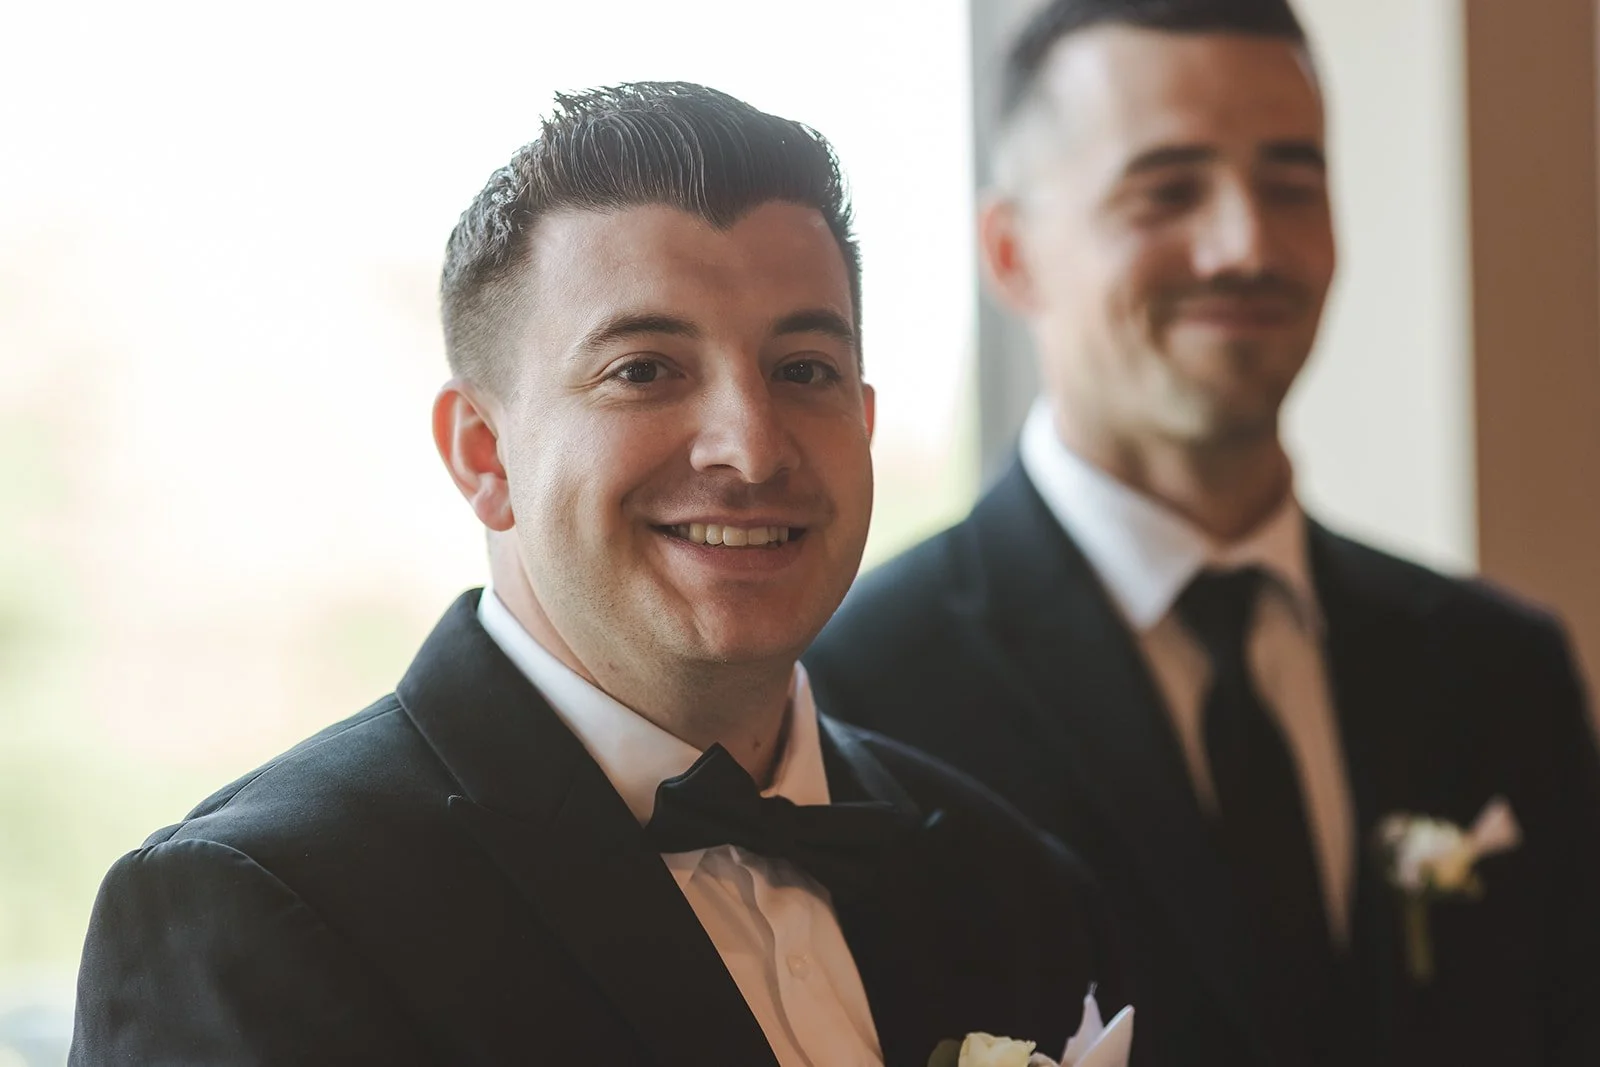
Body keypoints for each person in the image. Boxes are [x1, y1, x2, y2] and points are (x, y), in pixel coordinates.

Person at [67, 83, 1124, 1066]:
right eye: (643, 371)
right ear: (484, 453)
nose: (748, 449)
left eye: (803, 370)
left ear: (865, 422)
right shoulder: (257, 911)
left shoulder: (1010, 879)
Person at [804, 3, 1600, 1065]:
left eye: (1291, 182)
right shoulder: (855, 693)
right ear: (1012, 253)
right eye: (1166, 189)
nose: (1245, 244)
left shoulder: (1501, 670)